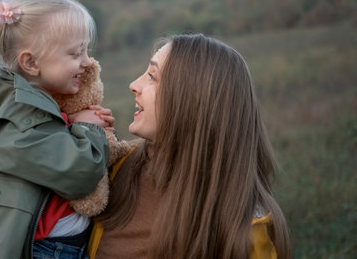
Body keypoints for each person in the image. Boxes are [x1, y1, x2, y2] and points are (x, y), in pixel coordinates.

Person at [0, 0, 113, 259]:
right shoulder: (17, 122)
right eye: (76, 53)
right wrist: (88, 129)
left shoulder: (36, 110)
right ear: (30, 63)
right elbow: (80, 174)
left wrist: (75, 123)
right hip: (46, 251)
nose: (87, 62)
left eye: (87, 51)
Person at [88, 34, 290, 258]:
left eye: (152, 77)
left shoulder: (245, 231)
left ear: (192, 100)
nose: (134, 85)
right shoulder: (115, 166)